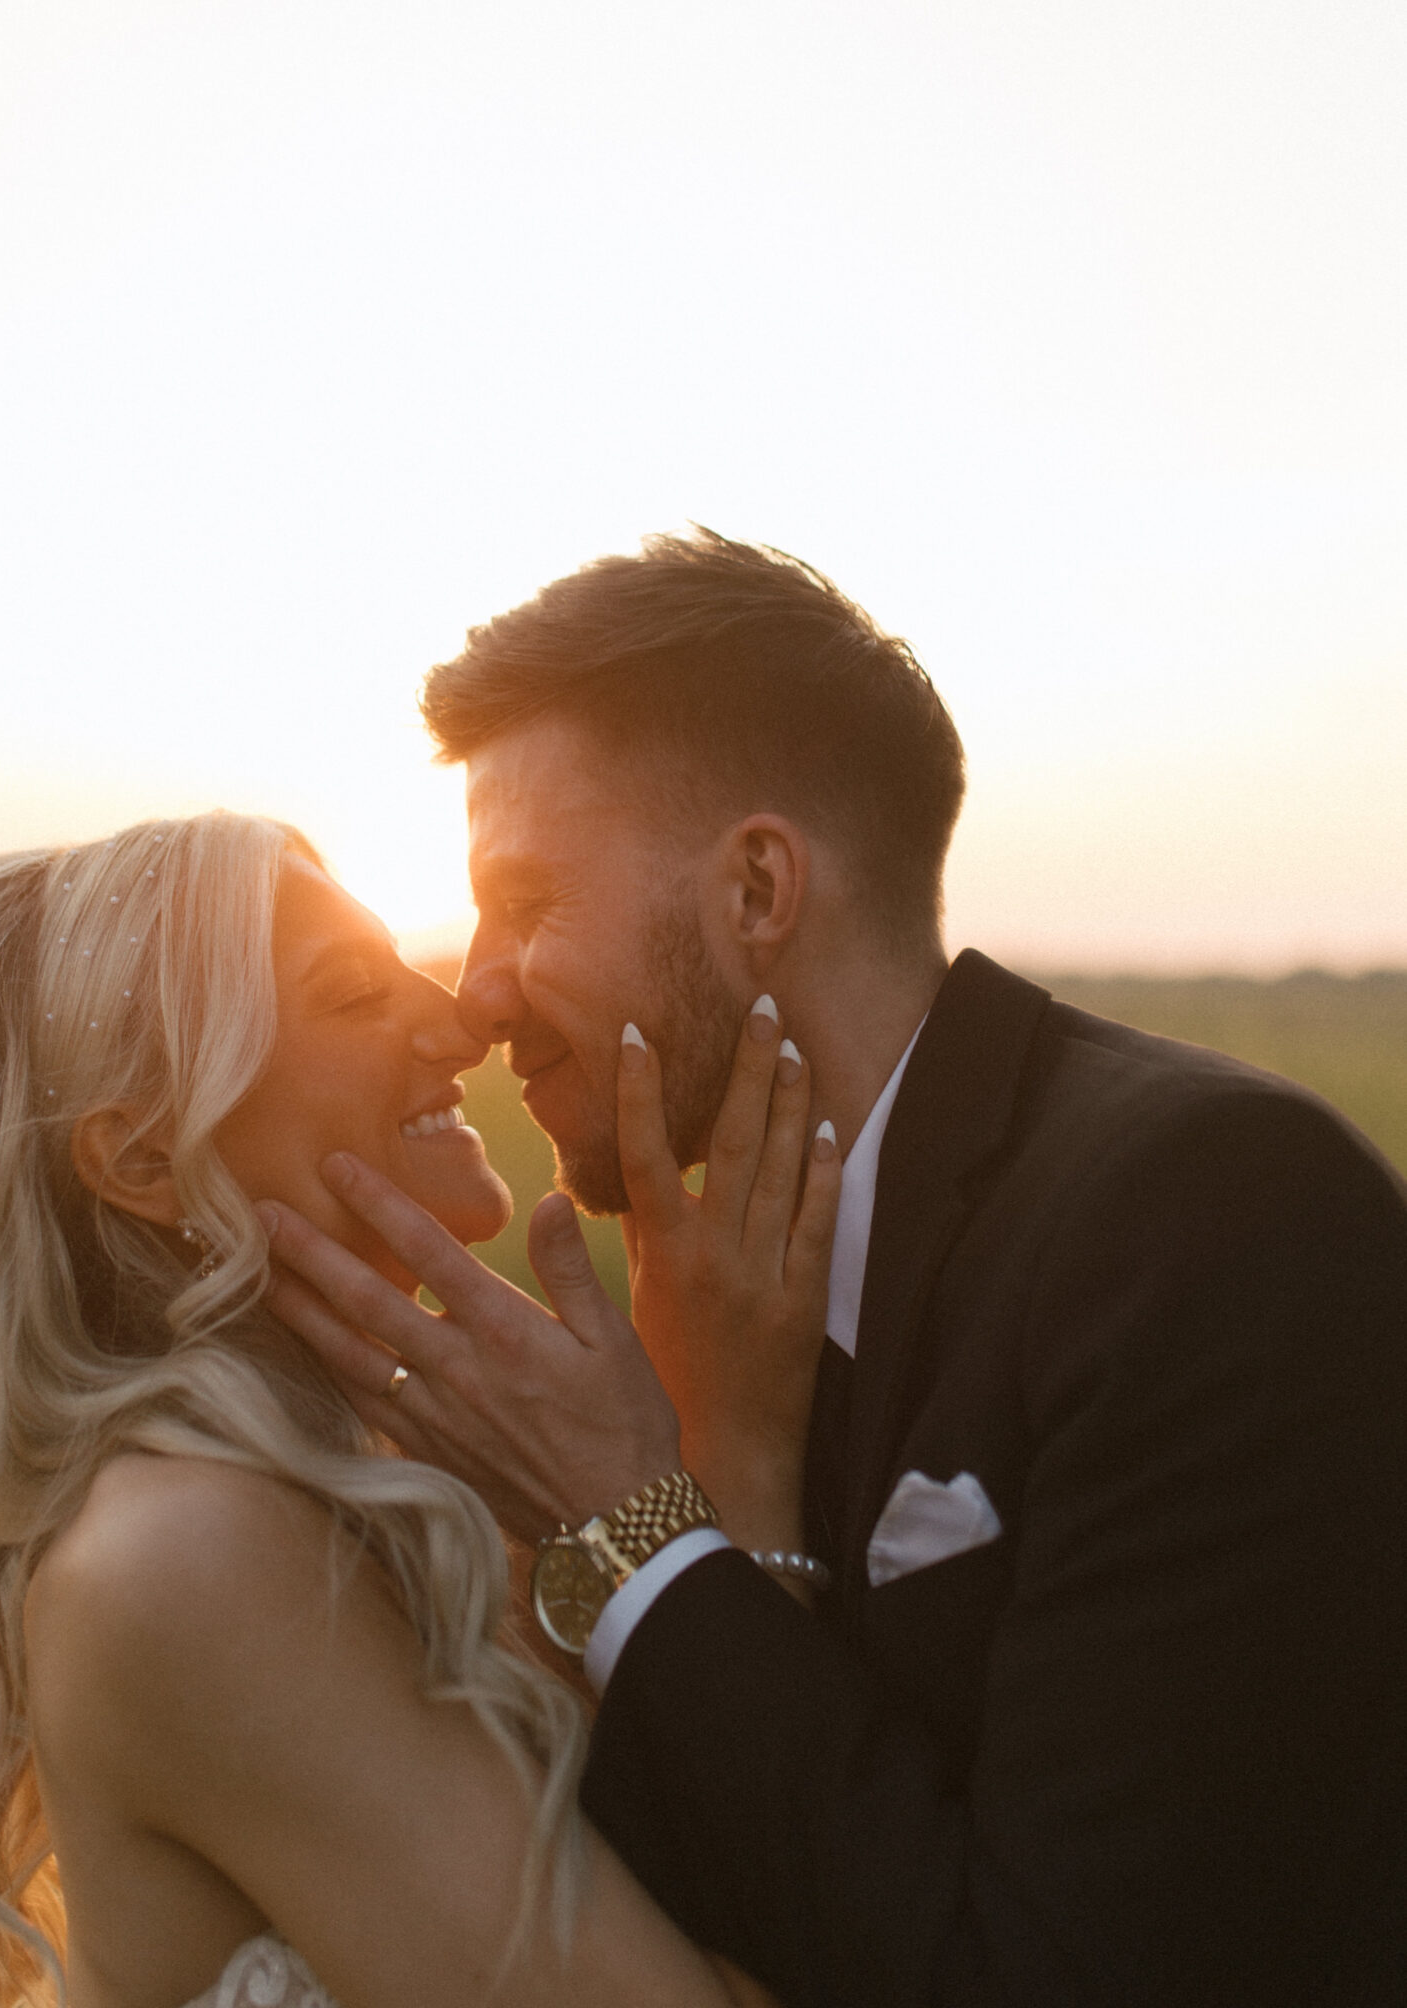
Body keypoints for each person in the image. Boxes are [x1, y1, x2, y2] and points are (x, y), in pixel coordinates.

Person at [267, 529, 1407, 2008]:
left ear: (755, 890)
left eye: (526, 903)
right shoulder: (712, 1308)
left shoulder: (1208, 1213)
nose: (476, 995)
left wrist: (643, 1533)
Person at [0, 808, 834, 2008]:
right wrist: (736, 1458)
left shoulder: (404, 1486)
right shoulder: (183, 1553)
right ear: (142, 1158)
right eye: (352, 993)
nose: (459, 1021)